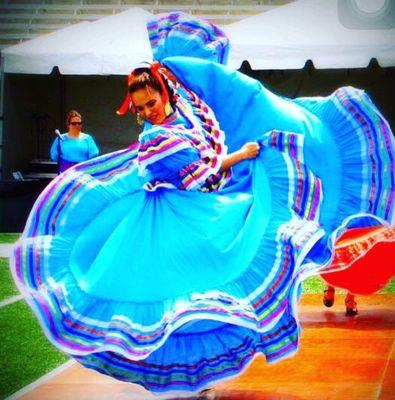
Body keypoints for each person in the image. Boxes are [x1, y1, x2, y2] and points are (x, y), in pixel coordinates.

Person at [12, 12, 395, 397]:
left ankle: (199, 384)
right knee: (176, 294)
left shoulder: (186, 112)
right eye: (140, 108)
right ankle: (192, 384)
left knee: (203, 290)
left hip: (194, 207)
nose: (146, 112)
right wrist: (242, 155)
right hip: (174, 212)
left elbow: (240, 109)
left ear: (166, 93)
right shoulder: (158, 136)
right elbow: (202, 175)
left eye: (150, 103)